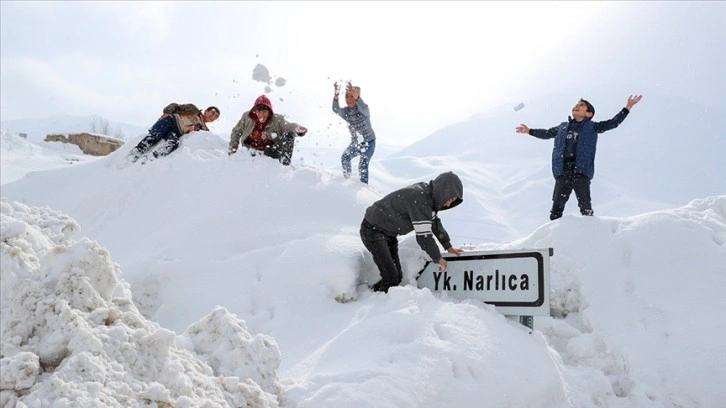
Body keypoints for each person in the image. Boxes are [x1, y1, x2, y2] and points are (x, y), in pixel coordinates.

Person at [515, 95, 642, 220]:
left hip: (581, 170)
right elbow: (547, 133)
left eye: (581, 105)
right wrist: (529, 131)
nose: (576, 106)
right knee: (557, 206)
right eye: (576, 105)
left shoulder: (592, 126)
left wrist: (628, 107)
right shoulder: (563, 127)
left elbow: (613, 123)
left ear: (589, 114)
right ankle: (555, 234)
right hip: (563, 170)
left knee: (585, 205)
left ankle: (590, 230)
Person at [361, 171, 464, 293]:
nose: (449, 203)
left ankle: (372, 293)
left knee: (396, 277)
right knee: (391, 278)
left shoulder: (428, 198)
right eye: (450, 198)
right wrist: (437, 258)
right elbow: (424, 237)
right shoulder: (421, 200)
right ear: (443, 191)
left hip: (388, 234)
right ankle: (376, 304)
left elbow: (434, 223)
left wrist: (448, 246)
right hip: (373, 230)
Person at [228, 95, 308, 166]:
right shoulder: (247, 117)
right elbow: (236, 131)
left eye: (264, 112)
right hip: (251, 153)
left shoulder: (277, 120)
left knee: (289, 134)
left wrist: (297, 128)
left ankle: (284, 166)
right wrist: (233, 149)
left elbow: (289, 126)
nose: (261, 115)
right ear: (255, 111)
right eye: (259, 111)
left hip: (269, 152)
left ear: (269, 112)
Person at [127, 104, 220, 163]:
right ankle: (135, 153)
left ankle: (151, 158)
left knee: (173, 143)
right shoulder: (193, 109)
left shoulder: (205, 131)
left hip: (176, 131)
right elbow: (175, 106)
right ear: (206, 111)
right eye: (212, 113)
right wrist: (167, 112)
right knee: (156, 136)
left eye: (215, 117)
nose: (213, 117)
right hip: (171, 120)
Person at [332, 82, 377, 184]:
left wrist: (356, 96)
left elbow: (363, 105)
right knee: (345, 157)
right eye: (347, 96)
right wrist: (336, 95)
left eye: (352, 96)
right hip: (356, 143)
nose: (349, 99)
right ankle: (347, 181)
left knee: (363, 163)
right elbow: (335, 109)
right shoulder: (346, 112)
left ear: (357, 97)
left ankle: (363, 188)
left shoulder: (364, 110)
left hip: (369, 142)